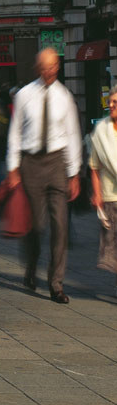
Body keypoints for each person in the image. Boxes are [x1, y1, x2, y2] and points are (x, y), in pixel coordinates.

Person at [6, 48, 84, 304]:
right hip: (31, 163)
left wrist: (74, 173)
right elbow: (15, 132)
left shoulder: (65, 97)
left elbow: (73, 134)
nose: (50, 72)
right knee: (37, 226)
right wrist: (13, 168)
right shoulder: (24, 95)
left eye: (53, 67)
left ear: (57, 67)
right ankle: (31, 268)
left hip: (57, 163)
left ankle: (56, 284)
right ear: (37, 68)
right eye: (45, 68)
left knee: (60, 225)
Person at [89, 90, 117, 290]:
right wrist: (97, 193)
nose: (112, 105)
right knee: (114, 247)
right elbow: (94, 166)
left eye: (116, 102)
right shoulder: (101, 129)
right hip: (111, 196)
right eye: (111, 101)